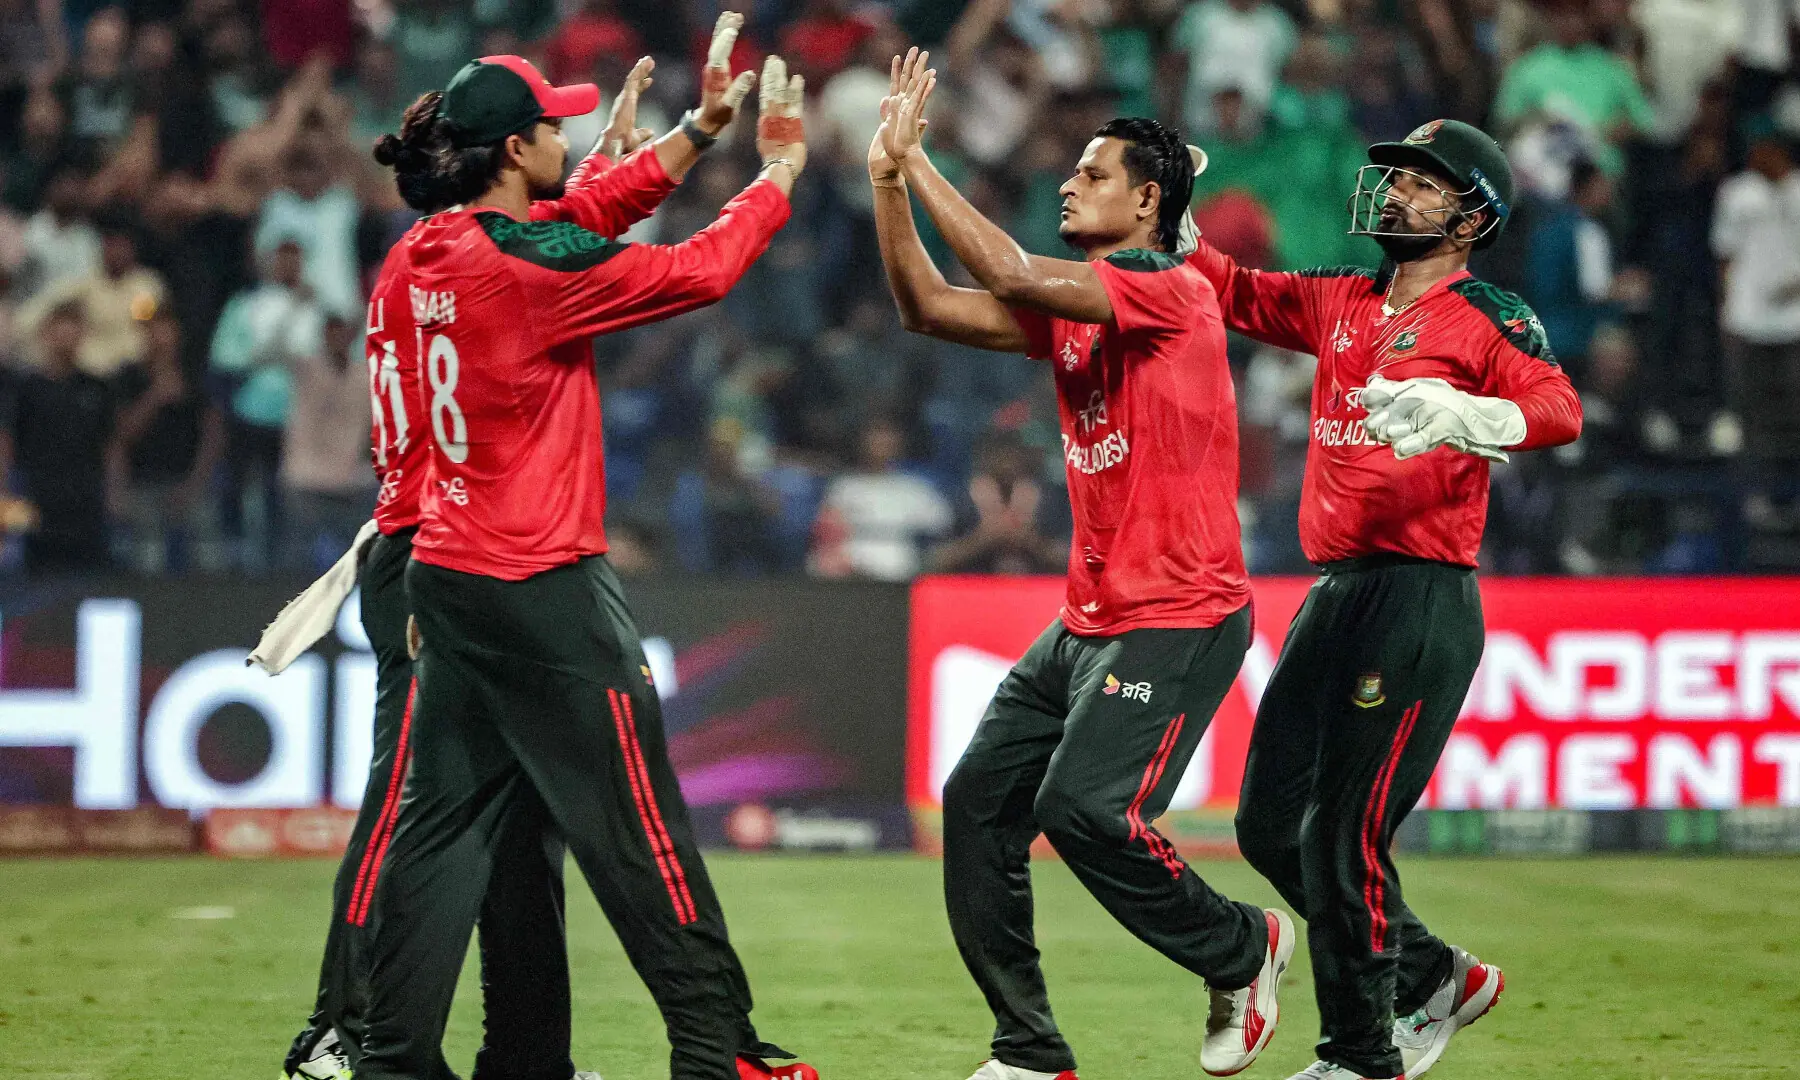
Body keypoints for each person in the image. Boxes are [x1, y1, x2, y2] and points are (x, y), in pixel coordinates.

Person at [279, 26, 789, 1080]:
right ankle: (346, 1031)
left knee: (465, 830)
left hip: (435, 547)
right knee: (580, 818)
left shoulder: (421, 248)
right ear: (513, 149)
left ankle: (463, 1056)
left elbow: (565, 222)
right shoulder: (512, 263)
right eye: (548, 126)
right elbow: (665, 265)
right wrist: (776, 173)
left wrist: (689, 136)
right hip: (503, 555)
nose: (565, 137)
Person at [872, 49, 1293, 1080]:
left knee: (1086, 811)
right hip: (1090, 618)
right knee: (976, 808)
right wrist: (888, 183)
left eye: (1093, 174)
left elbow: (1007, 271)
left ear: (1149, 202)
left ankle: (1245, 948)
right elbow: (927, 306)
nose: (1069, 182)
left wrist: (919, 161)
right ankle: (1028, 1051)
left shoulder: (1173, 289)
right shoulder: (1080, 303)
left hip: (1180, 614)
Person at [1186, 119, 1583, 1080]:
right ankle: (1437, 975)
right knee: (1269, 828)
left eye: (1423, 183)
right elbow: (1229, 290)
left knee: (1343, 833)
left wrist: (1475, 412)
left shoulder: (1487, 312)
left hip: (1420, 594)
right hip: (1338, 591)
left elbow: (1559, 408)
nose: (1396, 192)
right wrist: (1173, 204)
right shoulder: (1343, 301)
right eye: (1394, 176)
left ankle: (1361, 1056)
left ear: (1470, 216)